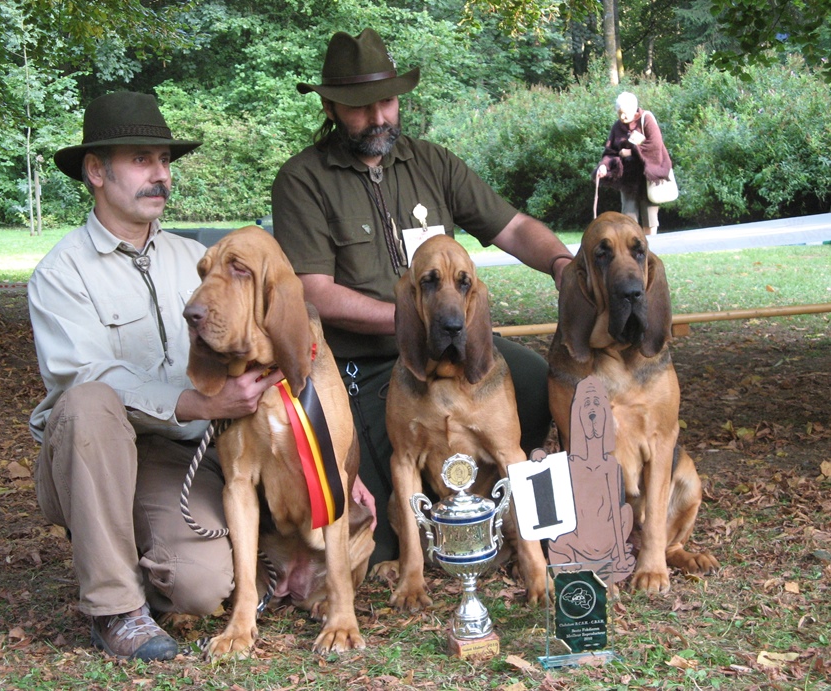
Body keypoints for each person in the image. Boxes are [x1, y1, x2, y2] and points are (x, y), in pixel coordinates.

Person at [271, 29, 575, 566]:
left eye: (386, 101)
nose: (378, 118)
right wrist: (415, 320)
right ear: (330, 106)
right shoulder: (302, 180)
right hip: (365, 368)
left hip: (453, 349)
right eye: (361, 108)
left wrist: (560, 264)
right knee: (381, 545)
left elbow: (514, 226)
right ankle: (437, 517)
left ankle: (493, 500)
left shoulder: (432, 163)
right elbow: (314, 293)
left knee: (530, 378)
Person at [28, 91, 285, 661]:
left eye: (164, 161)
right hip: (94, 451)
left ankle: (144, 553)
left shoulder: (195, 258)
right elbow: (84, 378)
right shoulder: (61, 272)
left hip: (184, 457)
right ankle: (115, 608)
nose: (160, 175)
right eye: (141, 160)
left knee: (202, 587)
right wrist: (196, 404)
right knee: (90, 399)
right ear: (96, 171)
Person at [594, 91, 673, 235]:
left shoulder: (646, 119)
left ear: (634, 109)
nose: (622, 117)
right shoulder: (617, 127)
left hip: (648, 177)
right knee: (628, 220)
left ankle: (651, 251)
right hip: (628, 179)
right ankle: (633, 253)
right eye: (619, 113)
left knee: (650, 219)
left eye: (625, 113)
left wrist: (631, 152)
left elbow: (655, 145)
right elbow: (610, 152)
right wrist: (604, 166)